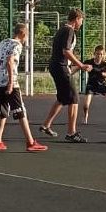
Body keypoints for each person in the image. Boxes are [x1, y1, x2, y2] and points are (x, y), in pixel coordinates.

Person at [0, 23, 47, 152]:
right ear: (23, 34)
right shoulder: (17, 45)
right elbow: (10, 61)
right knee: (20, 111)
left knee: (4, 111)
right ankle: (30, 142)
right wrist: (10, 83)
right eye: (27, 35)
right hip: (11, 83)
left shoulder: (3, 42)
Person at [39, 8, 91, 143]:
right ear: (77, 19)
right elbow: (66, 51)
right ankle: (71, 133)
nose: (81, 23)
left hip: (56, 66)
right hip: (60, 67)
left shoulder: (62, 29)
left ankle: (46, 125)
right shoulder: (69, 31)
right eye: (81, 20)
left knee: (62, 98)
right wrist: (81, 65)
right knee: (74, 98)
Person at [80, 45, 106, 125]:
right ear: (94, 54)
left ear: (103, 55)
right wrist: (71, 73)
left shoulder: (105, 64)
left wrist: (105, 75)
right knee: (86, 105)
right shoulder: (89, 62)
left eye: (101, 54)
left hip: (102, 85)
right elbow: (79, 66)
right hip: (91, 85)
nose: (99, 56)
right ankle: (85, 116)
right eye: (97, 54)